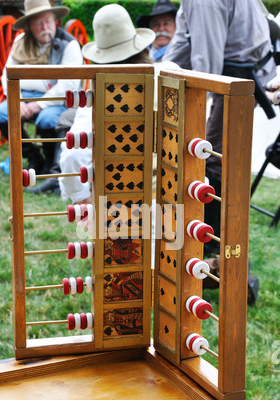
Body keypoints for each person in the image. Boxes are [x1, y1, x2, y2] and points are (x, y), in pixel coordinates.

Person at [163, 0, 277, 257]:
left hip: (237, 82)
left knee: (210, 159)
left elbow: (207, 69)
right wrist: (158, 76)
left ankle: (209, 248)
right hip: (236, 76)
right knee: (211, 158)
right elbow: (182, 44)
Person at [58, 4, 156, 205]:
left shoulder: (98, 97)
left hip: (119, 209)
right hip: (173, 206)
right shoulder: (168, 79)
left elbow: (73, 157)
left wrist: (80, 197)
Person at [0, 0, 83, 193]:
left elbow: (68, 85)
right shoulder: (20, 43)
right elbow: (6, 75)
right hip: (23, 96)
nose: (44, 27)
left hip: (58, 100)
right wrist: (19, 101)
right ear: (29, 26)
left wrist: (38, 105)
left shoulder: (70, 45)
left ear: (55, 21)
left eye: (48, 22)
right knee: (0, 114)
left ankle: (52, 169)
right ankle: (34, 157)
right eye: (38, 23)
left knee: (47, 119)